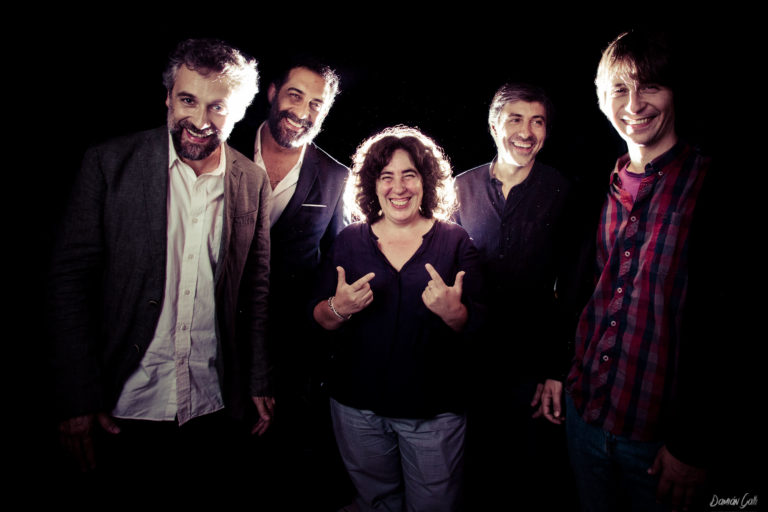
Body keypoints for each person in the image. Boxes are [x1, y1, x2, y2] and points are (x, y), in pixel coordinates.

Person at [48, 38, 272, 487]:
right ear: (169, 97)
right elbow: (69, 283)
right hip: (122, 403)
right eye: (188, 100)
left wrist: (258, 378)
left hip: (213, 404)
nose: (200, 121)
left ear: (239, 112)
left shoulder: (252, 180)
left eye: (217, 107)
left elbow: (255, 288)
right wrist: (77, 396)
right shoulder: (109, 163)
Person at [538, 29, 714, 512]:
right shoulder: (593, 189)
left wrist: (694, 444)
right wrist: (558, 370)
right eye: (619, 89)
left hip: (662, 447)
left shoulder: (708, 185)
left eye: (649, 86)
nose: (634, 104)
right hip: (585, 418)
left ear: (674, 93)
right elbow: (576, 294)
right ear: (601, 101)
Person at [311, 126, 483, 511]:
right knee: (375, 503)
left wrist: (456, 314)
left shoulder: (455, 240)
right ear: (372, 185)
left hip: (433, 415)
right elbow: (319, 316)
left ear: (426, 182)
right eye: (386, 176)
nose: (398, 187)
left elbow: (482, 324)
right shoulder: (349, 240)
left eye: (410, 175)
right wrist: (338, 308)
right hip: (357, 410)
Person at [231, 59, 352, 509]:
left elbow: (334, 264)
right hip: (216, 330)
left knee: (279, 465)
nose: (302, 111)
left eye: (316, 103)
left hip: (289, 346)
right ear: (272, 92)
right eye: (295, 95)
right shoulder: (224, 147)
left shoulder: (335, 177)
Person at [453, 82, 575, 509]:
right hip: (466, 362)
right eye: (516, 119)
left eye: (537, 121)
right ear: (494, 126)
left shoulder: (561, 191)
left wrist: (557, 369)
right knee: (470, 478)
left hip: (531, 366)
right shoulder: (459, 188)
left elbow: (572, 286)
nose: (527, 132)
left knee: (527, 482)